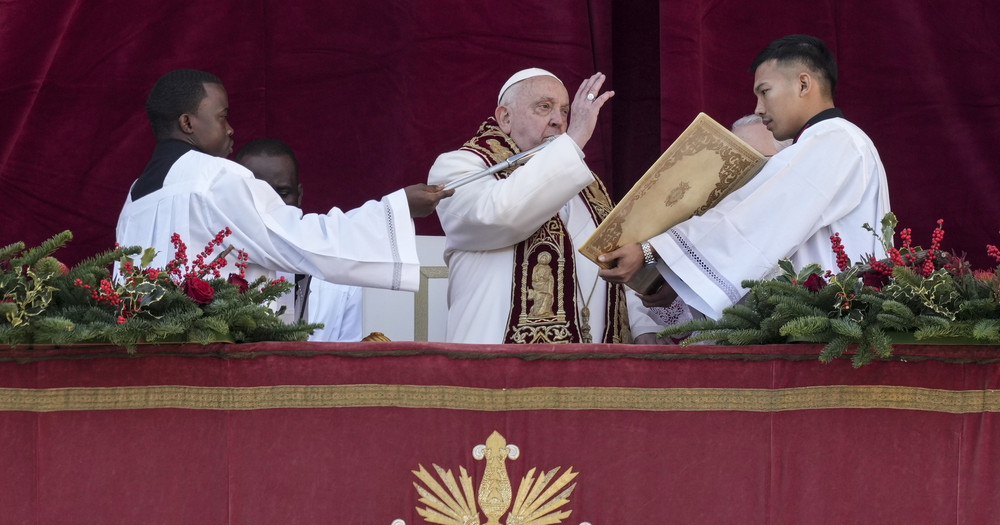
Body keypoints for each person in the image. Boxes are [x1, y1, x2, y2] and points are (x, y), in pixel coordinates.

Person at [598, 34, 891, 319]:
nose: (759, 109)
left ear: (803, 84)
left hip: (825, 329)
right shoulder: (831, 141)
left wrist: (652, 250)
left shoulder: (834, 140)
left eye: (764, 91)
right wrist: (675, 277)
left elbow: (753, 217)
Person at [116, 68, 452, 294]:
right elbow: (300, 241)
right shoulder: (214, 177)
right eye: (222, 116)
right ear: (187, 123)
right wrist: (396, 209)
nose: (231, 129)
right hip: (215, 361)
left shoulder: (134, 197)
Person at [427, 68, 662, 344]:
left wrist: (642, 325)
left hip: (594, 370)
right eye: (544, 107)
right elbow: (502, 216)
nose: (558, 122)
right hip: (499, 370)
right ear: (505, 117)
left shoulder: (586, 186)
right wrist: (574, 141)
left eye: (564, 111)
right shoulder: (462, 166)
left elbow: (615, 260)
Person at [234, 138, 363, 342]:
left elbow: (349, 363)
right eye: (257, 195)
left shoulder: (340, 274)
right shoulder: (209, 265)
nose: (271, 207)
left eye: (282, 193)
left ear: (299, 194)